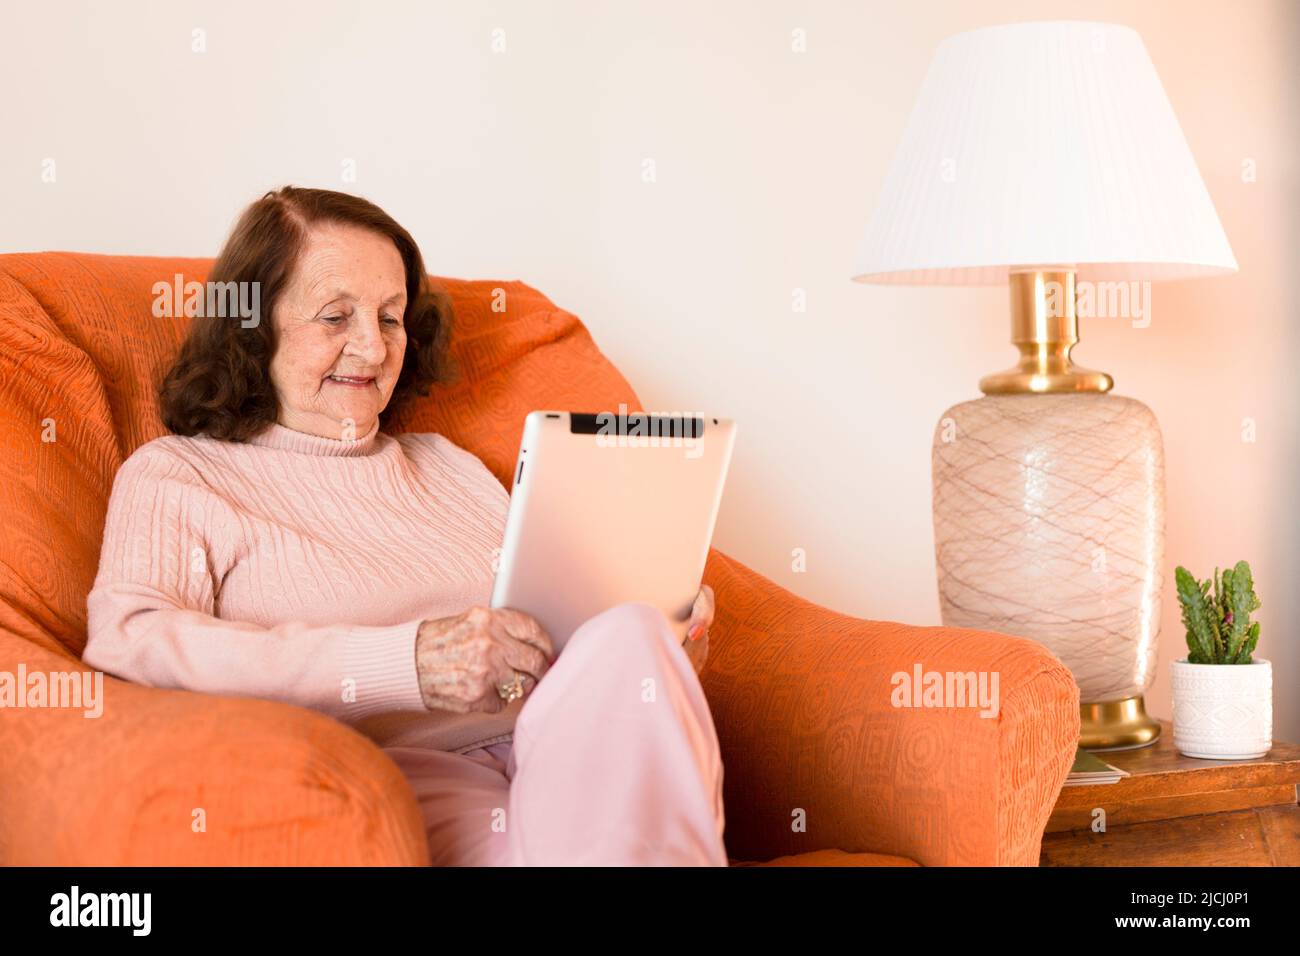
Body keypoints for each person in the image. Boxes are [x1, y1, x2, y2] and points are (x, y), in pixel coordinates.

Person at [82, 185, 727, 866]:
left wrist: (663, 641)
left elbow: (557, 624)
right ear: (254, 327)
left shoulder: (446, 464)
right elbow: (132, 643)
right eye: (336, 317)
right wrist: (406, 663)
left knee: (630, 629)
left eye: (391, 318)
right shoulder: (181, 475)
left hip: (559, 739)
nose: (372, 345)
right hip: (402, 776)